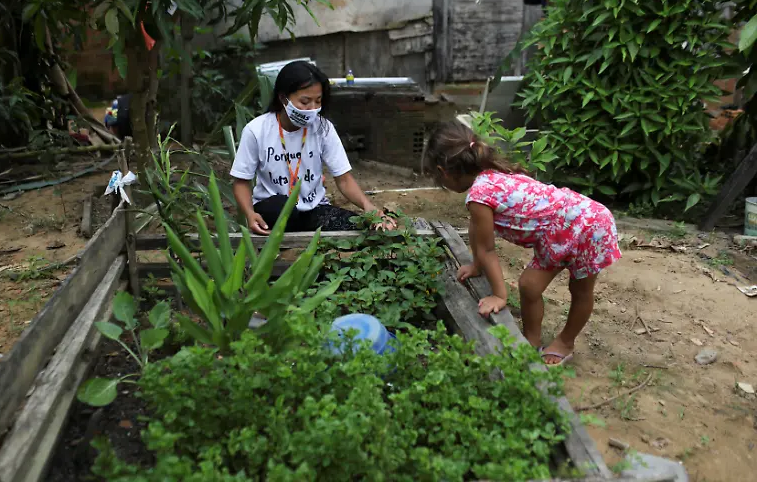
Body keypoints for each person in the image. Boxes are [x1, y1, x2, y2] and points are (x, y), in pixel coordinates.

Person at [422, 120, 621, 366]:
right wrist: (476, 265)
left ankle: (565, 342)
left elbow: (488, 248)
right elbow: (477, 232)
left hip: (586, 226)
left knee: (574, 290)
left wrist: (499, 295)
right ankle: (531, 342)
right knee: (531, 287)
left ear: (444, 172)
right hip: (572, 223)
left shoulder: (479, 195)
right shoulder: (490, 176)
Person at [231, 61, 395, 234]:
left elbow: (344, 179)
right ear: (282, 98)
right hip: (272, 212)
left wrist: (369, 208)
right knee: (282, 208)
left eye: (318, 101)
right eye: (305, 101)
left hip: (313, 210)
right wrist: (250, 214)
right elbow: (241, 181)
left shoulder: (323, 128)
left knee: (358, 229)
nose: (312, 109)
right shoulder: (256, 131)